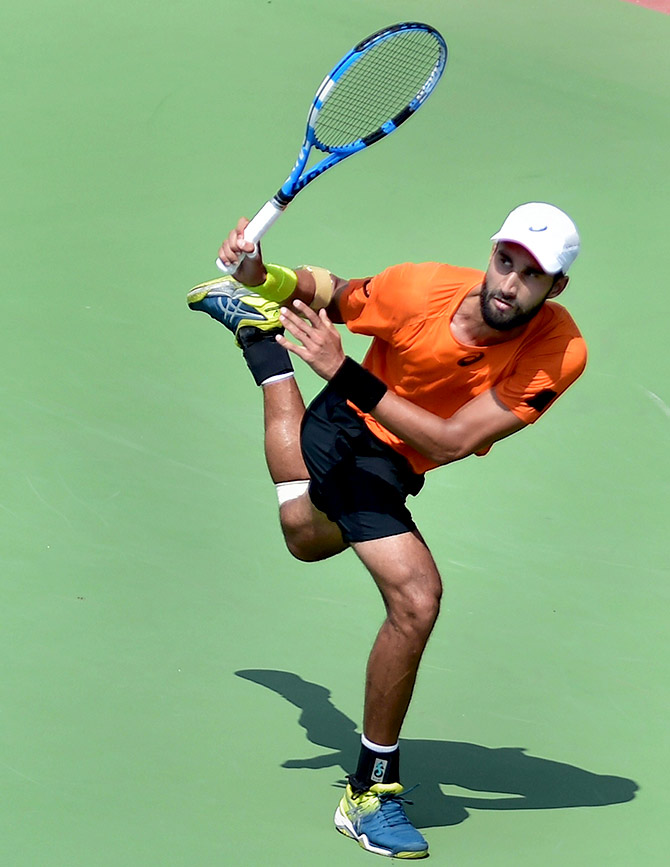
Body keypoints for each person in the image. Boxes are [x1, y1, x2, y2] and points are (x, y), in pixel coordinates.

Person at [187, 202, 587, 859]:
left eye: (531, 274)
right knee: (416, 597)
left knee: (304, 534)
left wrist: (342, 367)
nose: (509, 282)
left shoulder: (559, 350)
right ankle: (371, 789)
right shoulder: (420, 288)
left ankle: (262, 346)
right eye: (504, 260)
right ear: (491, 253)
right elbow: (333, 293)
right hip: (346, 430)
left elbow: (454, 439)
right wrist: (263, 274)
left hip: (400, 447)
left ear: (555, 288)